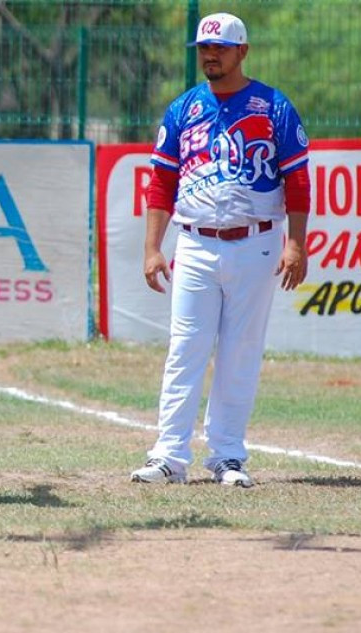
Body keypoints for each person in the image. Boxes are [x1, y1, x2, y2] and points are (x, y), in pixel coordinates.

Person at [131, 12, 310, 487]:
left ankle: (228, 456)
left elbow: (297, 179)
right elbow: (161, 181)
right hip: (193, 241)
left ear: (242, 51)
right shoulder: (184, 108)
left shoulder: (273, 106)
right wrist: (153, 248)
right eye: (203, 48)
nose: (210, 54)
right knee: (184, 349)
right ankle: (168, 455)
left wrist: (296, 243)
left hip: (256, 243)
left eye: (220, 47)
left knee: (240, 352)